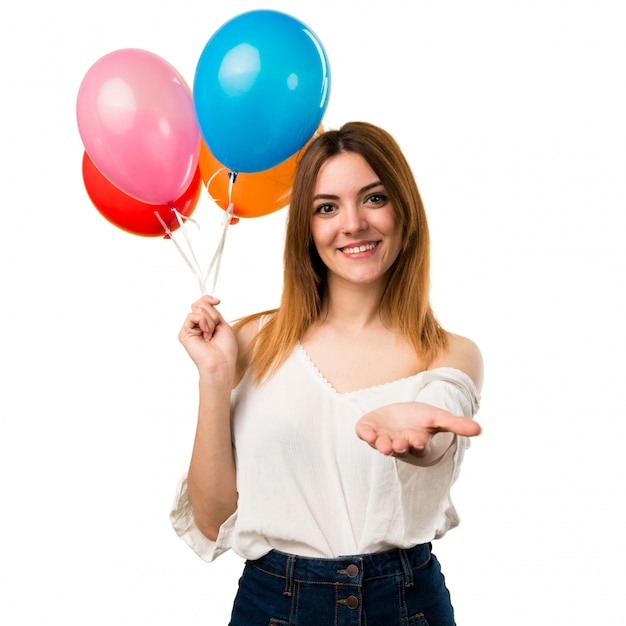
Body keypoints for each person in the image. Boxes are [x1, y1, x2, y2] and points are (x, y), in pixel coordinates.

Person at [170, 121, 483, 626]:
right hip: (272, 607)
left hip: (405, 607)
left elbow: (441, 423)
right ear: (306, 227)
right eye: (327, 207)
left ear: (404, 208)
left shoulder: (448, 351)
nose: (353, 223)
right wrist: (214, 375)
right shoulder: (252, 344)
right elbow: (211, 522)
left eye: (374, 198)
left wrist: (419, 439)